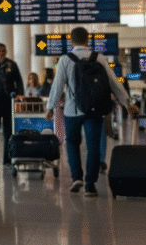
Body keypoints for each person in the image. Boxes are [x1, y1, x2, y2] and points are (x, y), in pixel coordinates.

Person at [44, 26, 137, 197]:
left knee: (72, 143)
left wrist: (50, 107)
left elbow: (57, 86)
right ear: (88, 40)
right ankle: (90, 185)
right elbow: (114, 83)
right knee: (93, 146)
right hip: (95, 109)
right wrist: (127, 104)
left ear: (71, 41)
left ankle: (76, 178)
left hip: (72, 110)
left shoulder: (65, 59)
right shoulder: (99, 57)